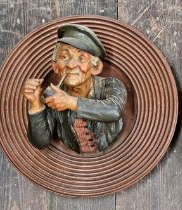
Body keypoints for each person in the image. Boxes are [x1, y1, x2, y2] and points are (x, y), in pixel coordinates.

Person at [22, 24, 127, 153]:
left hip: (112, 157)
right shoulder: (51, 94)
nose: (71, 65)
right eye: (64, 57)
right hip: (72, 165)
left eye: (81, 58)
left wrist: (70, 102)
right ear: (55, 66)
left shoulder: (110, 85)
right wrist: (35, 104)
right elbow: (40, 142)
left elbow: (114, 110)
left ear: (96, 67)